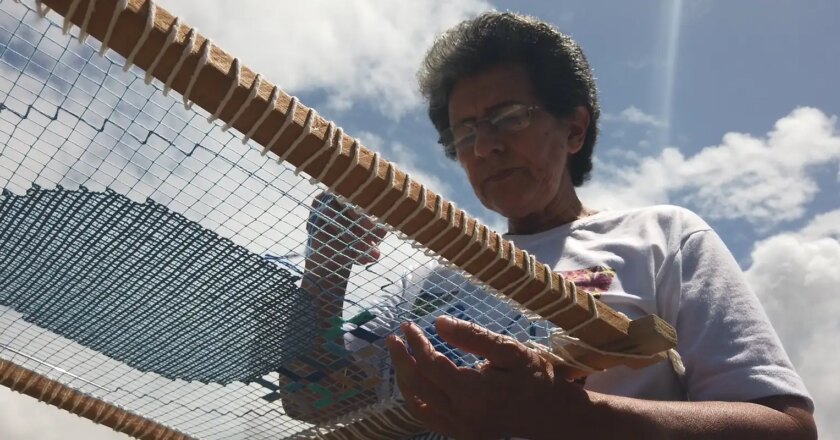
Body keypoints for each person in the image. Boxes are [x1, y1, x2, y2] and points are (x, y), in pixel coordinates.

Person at [294, 11, 816, 439]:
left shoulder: (662, 239)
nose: (486, 145)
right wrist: (325, 264)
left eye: (509, 116)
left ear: (574, 128)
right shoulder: (426, 282)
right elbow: (311, 398)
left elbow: (786, 427)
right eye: (466, 130)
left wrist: (571, 416)